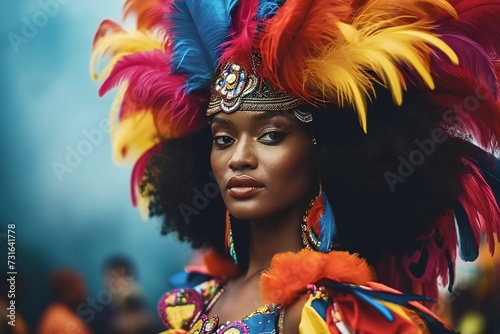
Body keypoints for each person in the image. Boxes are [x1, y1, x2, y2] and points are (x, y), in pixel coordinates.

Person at [90, 0, 500, 332]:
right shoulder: (198, 297)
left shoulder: (339, 315)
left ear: (328, 151)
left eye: (271, 135)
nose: (239, 158)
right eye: (223, 139)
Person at [37, 268, 93, 334]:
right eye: (79, 284)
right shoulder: (65, 322)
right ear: (67, 291)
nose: (84, 289)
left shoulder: (53, 313)